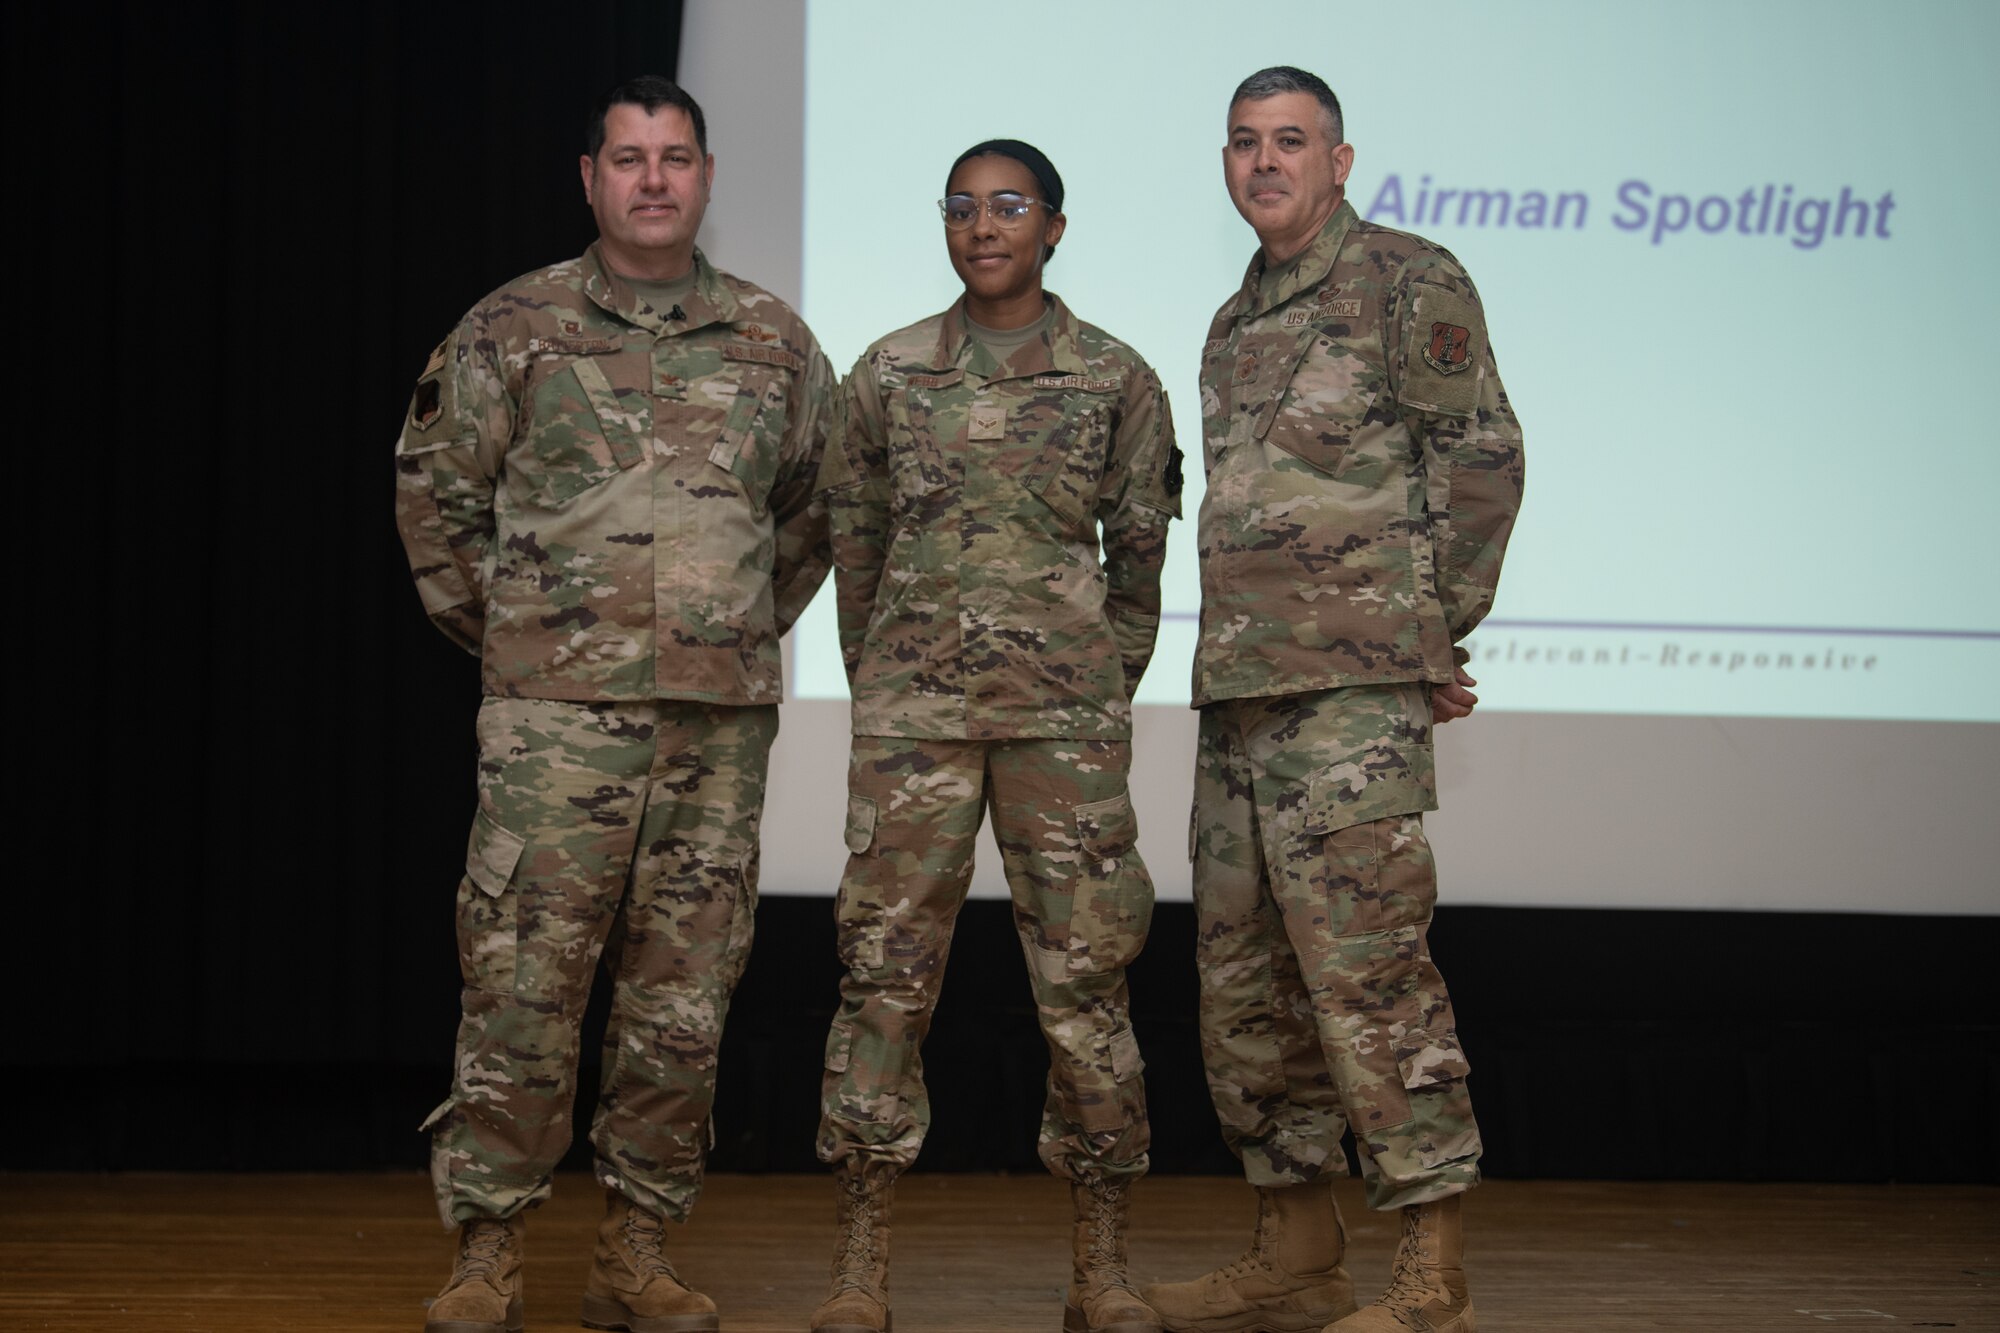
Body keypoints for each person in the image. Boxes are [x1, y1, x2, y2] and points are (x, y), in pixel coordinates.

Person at [392, 75, 833, 1333]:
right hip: (553, 730)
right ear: (589, 177)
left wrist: (726, 628)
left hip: (715, 729)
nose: (653, 179)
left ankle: (634, 1250)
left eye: (675, 157)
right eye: (628, 158)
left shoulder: (774, 342)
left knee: (681, 995)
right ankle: (488, 1253)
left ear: (705, 176)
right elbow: (437, 504)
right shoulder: (509, 330)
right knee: (523, 986)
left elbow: (810, 521)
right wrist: (532, 640)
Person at [1140, 68, 1524, 1333]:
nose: (1264, 163)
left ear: (1340, 159)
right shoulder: (1228, 321)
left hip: (1351, 702)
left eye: (1289, 142)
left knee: (1368, 980)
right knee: (1244, 990)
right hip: (1241, 699)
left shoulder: (1410, 280)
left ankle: (1431, 1272)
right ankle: (1295, 1243)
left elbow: (1480, 460)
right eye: (1244, 143)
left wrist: (1425, 632)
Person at [811, 139, 1181, 1333]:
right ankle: (862, 1263)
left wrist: (1086, 677)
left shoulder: (1114, 378)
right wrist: (886, 675)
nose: (983, 227)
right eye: (961, 208)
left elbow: (1138, 562)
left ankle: (1101, 1261)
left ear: (1053, 229)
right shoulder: (886, 373)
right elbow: (853, 546)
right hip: (913, 721)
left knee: (1085, 987)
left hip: (1061, 728)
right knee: (882, 981)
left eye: (1008, 206)